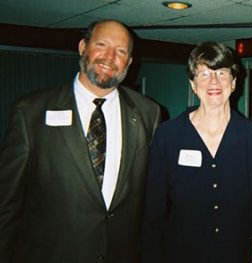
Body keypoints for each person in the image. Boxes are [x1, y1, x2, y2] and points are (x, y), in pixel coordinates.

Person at [0, 19, 160, 263]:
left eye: (121, 51)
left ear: (129, 62)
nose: (109, 57)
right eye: (102, 44)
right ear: (83, 46)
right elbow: (7, 202)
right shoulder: (31, 112)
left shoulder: (148, 112)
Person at [141, 41, 252, 263]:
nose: (214, 81)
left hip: (236, 254)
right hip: (181, 254)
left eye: (221, 73)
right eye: (204, 74)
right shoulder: (168, 136)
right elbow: (153, 208)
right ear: (193, 84)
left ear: (234, 82)